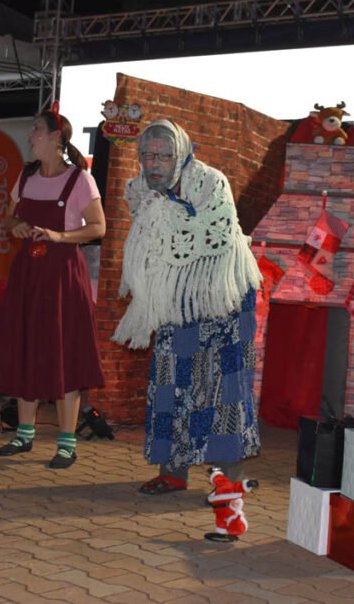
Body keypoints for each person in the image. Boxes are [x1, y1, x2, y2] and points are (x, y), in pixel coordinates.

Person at [112, 119, 262, 494]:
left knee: (224, 388)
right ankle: (172, 472)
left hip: (224, 296)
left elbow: (214, 236)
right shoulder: (141, 192)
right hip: (175, 299)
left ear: (181, 155)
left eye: (164, 156)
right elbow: (152, 246)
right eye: (148, 155)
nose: (154, 164)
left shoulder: (211, 183)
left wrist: (170, 213)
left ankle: (228, 480)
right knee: (170, 380)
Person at [0, 106, 106, 469]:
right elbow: (9, 218)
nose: (30, 136)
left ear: (57, 137)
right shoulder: (26, 177)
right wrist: (18, 225)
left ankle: (67, 443)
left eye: (36, 129)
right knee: (27, 348)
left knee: (63, 354)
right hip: (28, 274)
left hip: (63, 276)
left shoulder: (80, 179)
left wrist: (59, 236)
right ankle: (24, 434)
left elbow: (98, 227)